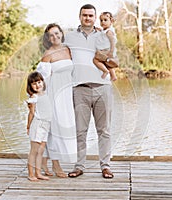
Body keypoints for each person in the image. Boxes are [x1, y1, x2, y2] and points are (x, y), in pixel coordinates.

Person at [64, 4, 114, 179]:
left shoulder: (104, 34)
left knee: (104, 130)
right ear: (79, 17)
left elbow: (113, 56)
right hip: (80, 89)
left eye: (91, 15)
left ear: (95, 17)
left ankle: (105, 166)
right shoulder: (69, 37)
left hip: (103, 87)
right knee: (80, 131)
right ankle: (79, 166)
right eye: (84, 15)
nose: (87, 18)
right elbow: (59, 54)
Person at [36, 23, 77, 178]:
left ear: (61, 33)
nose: (55, 37)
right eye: (51, 35)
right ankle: (55, 165)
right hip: (54, 95)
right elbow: (41, 79)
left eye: (57, 33)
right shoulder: (48, 55)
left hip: (67, 95)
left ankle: (44, 163)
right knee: (55, 130)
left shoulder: (68, 50)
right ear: (48, 38)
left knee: (64, 128)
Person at [26, 71, 52, 182]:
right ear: (30, 86)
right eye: (34, 83)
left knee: (41, 151)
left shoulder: (46, 94)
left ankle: (38, 172)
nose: (37, 85)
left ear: (42, 82)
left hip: (46, 125)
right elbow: (31, 113)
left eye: (39, 82)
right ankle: (31, 174)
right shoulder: (34, 97)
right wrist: (28, 126)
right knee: (34, 151)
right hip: (37, 125)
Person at [93, 11, 119, 81]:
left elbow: (112, 42)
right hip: (107, 50)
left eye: (105, 20)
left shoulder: (109, 32)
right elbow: (103, 33)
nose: (103, 22)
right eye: (101, 20)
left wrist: (111, 51)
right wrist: (100, 30)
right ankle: (113, 76)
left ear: (111, 21)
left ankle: (105, 71)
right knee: (107, 63)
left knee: (95, 59)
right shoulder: (106, 30)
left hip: (107, 50)